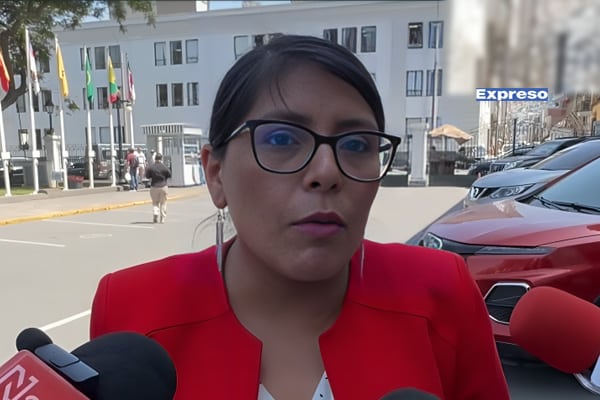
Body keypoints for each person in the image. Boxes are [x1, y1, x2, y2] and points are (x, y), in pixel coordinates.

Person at [89, 35, 510, 399]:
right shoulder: (131, 309)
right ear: (216, 174)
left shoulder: (442, 293)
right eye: (281, 138)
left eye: (357, 144)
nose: (326, 172)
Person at [143, 152, 171, 223]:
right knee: (163, 203)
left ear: (155, 159)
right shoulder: (164, 167)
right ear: (161, 159)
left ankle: (155, 214)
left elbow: (147, 176)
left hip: (154, 186)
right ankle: (162, 218)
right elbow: (169, 175)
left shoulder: (151, 167)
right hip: (163, 186)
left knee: (155, 202)